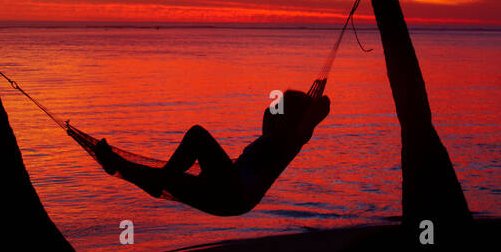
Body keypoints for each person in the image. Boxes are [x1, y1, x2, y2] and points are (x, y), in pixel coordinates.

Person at [94, 89, 331, 217]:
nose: (275, 114)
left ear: (291, 118)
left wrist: (310, 104)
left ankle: (159, 178)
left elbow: (323, 106)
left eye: (281, 111)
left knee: (197, 135)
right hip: (226, 192)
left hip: (233, 192)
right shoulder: (272, 138)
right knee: (171, 180)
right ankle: (116, 165)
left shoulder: (290, 142)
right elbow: (267, 115)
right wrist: (289, 102)